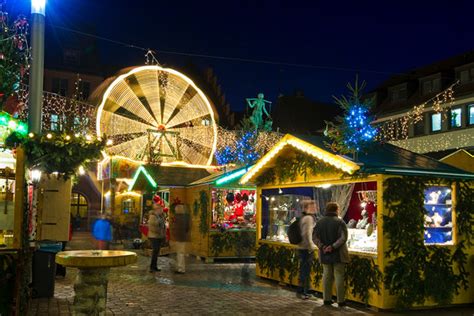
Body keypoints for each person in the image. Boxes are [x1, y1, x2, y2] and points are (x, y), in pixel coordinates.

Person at [314, 202, 349, 307]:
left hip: (324, 253)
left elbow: (314, 237)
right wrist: (332, 246)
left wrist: (323, 246)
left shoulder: (319, 222)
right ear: (336, 210)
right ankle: (341, 300)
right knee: (339, 276)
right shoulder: (340, 222)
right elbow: (343, 238)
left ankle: (326, 299)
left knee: (326, 275)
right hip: (338, 253)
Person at [297, 200, 317, 300]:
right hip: (306, 248)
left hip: (301, 247)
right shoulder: (309, 218)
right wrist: (311, 246)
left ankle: (301, 290)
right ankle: (305, 292)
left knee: (303, 269)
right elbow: (307, 234)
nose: (315, 208)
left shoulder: (303, 217)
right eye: (313, 206)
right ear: (307, 207)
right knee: (306, 270)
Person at [171, 204, 190, 274]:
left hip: (179, 237)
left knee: (180, 254)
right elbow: (187, 228)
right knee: (180, 253)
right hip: (183, 237)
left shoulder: (177, 217)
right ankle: (180, 267)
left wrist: (174, 234)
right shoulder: (185, 217)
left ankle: (180, 269)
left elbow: (175, 228)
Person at [148, 202, 166, 272]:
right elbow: (152, 227)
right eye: (161, 209)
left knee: (156, 252)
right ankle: (152, 267)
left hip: (159, 236)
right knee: (155, 252)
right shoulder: (153, 216)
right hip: (154, 236)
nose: (162, 210)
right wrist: (159, 231)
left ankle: (154, 266)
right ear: (157, 209)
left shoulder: (160, 216)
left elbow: (162, 225)